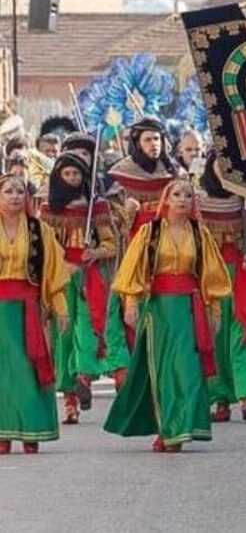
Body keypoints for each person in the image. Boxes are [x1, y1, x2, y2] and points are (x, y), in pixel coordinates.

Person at [103, 178, 230, 452]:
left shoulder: (200, 234)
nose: (183, 199)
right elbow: (132, 270)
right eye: (177, 194)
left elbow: (211, 275)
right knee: (162, 371)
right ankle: (167, 427)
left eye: (188, 195)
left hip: (188, 309)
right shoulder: (150, 232)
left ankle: (180, 427)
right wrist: (132, 304)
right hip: (158, 310)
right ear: (167, 200)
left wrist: (215, 310)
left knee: (187, 369)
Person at [41, 152, 121, 423]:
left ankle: (83, 378)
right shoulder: (48, 209)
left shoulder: (96, 207)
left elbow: (112, 245)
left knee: (88, 331)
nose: (73, 178)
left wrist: (95, 252)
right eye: (67, 174)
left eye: (77, 174)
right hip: (59, 280)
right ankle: (69, 400)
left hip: (89, 278)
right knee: (62, 337)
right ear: (58, 176)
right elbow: (41, 247)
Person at [0, 174, 69, 454]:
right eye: (8, 191)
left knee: (29, 368)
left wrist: (60, 308)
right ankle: (3, 432)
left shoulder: (40, 230)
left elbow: (53, 273)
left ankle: (32, 430)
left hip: (28, 307)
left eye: (19, 191)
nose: (15, 196)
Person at [198, 153, 246, 423]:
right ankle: (220, 399)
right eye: (219, 164)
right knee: (215, 338)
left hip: (241, 273)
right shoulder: (199, 202)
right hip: (211, 275)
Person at [107, 118, 179, 240]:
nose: (153, 144)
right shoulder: (122, 172)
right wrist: (127, 212)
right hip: (136, 236)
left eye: (156, 139)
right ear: (138, 144)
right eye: (147, 140)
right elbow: (113, 217)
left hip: (169, 235)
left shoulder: (173, 170)